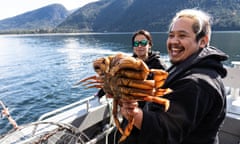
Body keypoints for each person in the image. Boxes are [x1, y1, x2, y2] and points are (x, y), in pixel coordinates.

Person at [117, 8, 228, 144]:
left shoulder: (196, 83)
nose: (174, 41)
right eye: (171, 35)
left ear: (203, 41)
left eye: (182, 36)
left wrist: (131, 111)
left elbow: (165, 134)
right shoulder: (185, 66)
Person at [95, 29, 166, 100]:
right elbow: (113, 79)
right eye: (136, 43)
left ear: (149, 45)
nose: (139, 46)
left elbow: (168, 86)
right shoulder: (126, 63)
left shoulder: (159, 64)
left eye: (143, 43)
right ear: (133, 47)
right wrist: (101, 93)